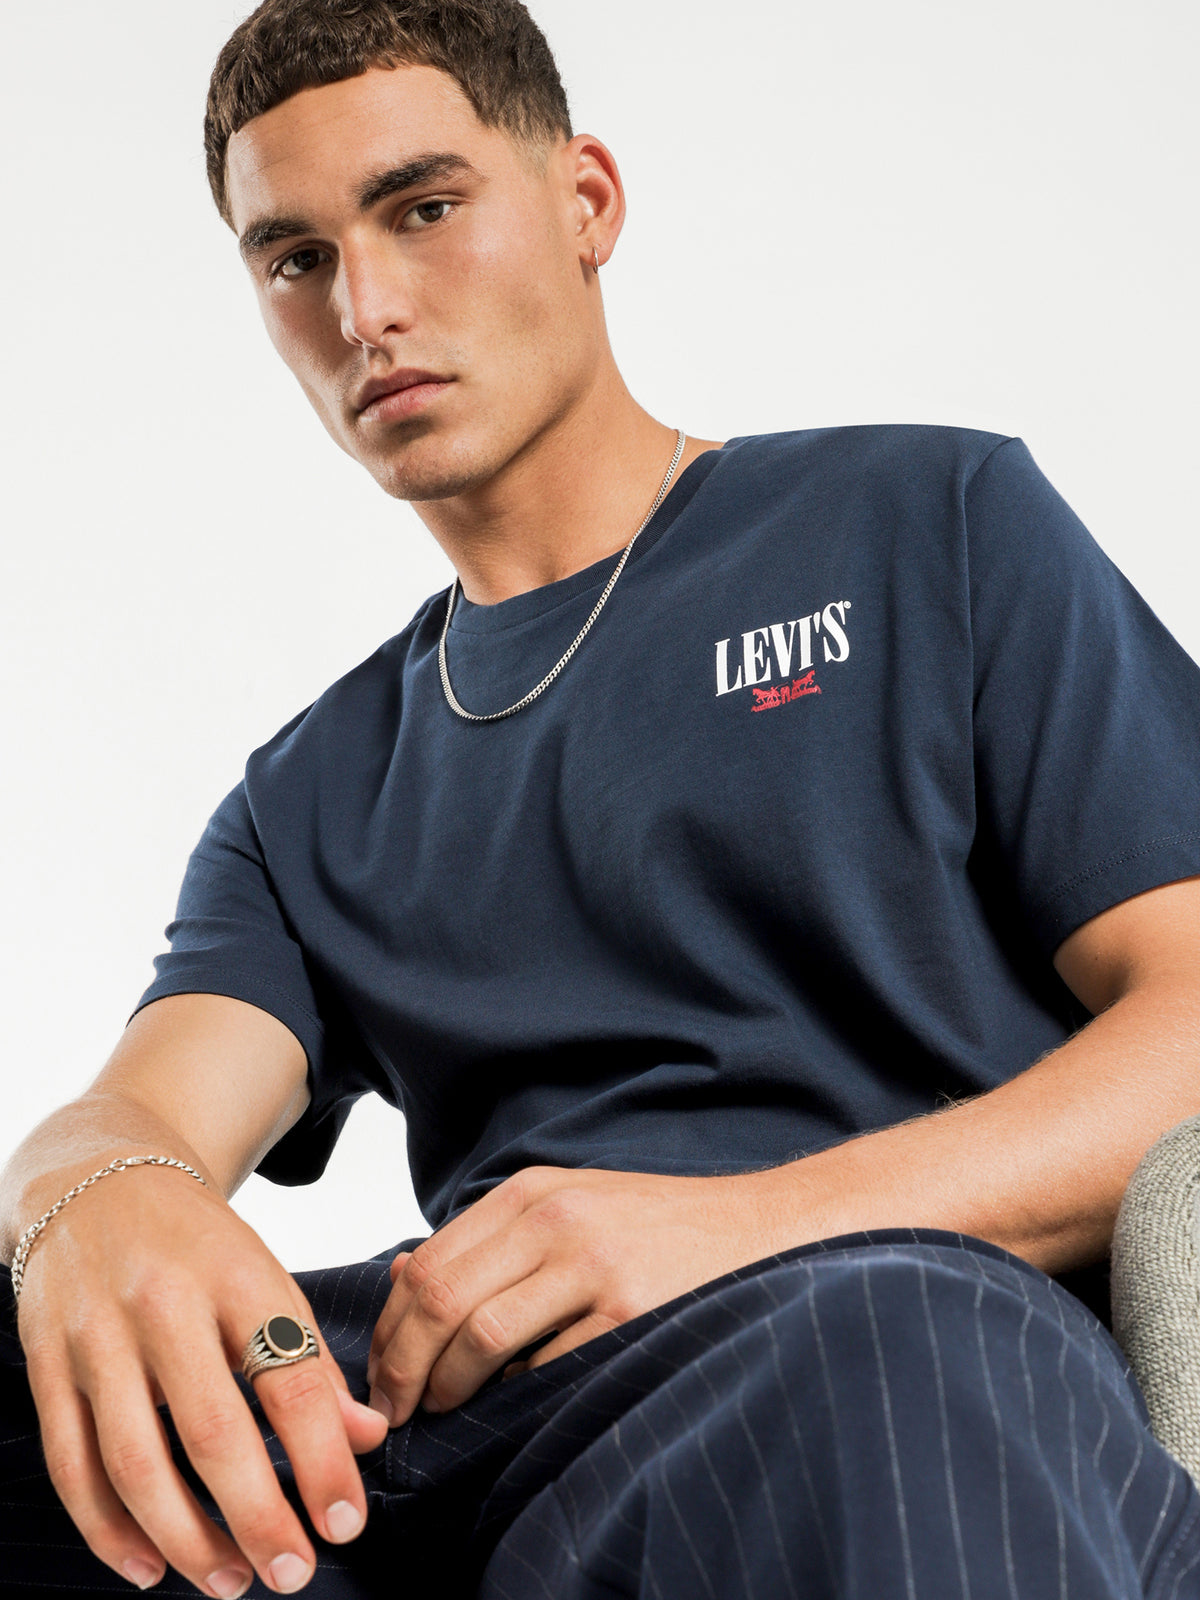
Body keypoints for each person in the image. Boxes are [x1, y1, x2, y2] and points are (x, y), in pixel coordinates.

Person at [4, 0, 1200, 1595]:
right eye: (293, 259)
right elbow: (147, 1112)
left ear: (585, 203)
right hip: (437, 1429)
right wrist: (79, 1196)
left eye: (423, 209)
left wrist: (735, 1225)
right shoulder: (307, 795)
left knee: (894, 1343)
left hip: (882, 1348)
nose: (364, 307)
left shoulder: (930, 522)